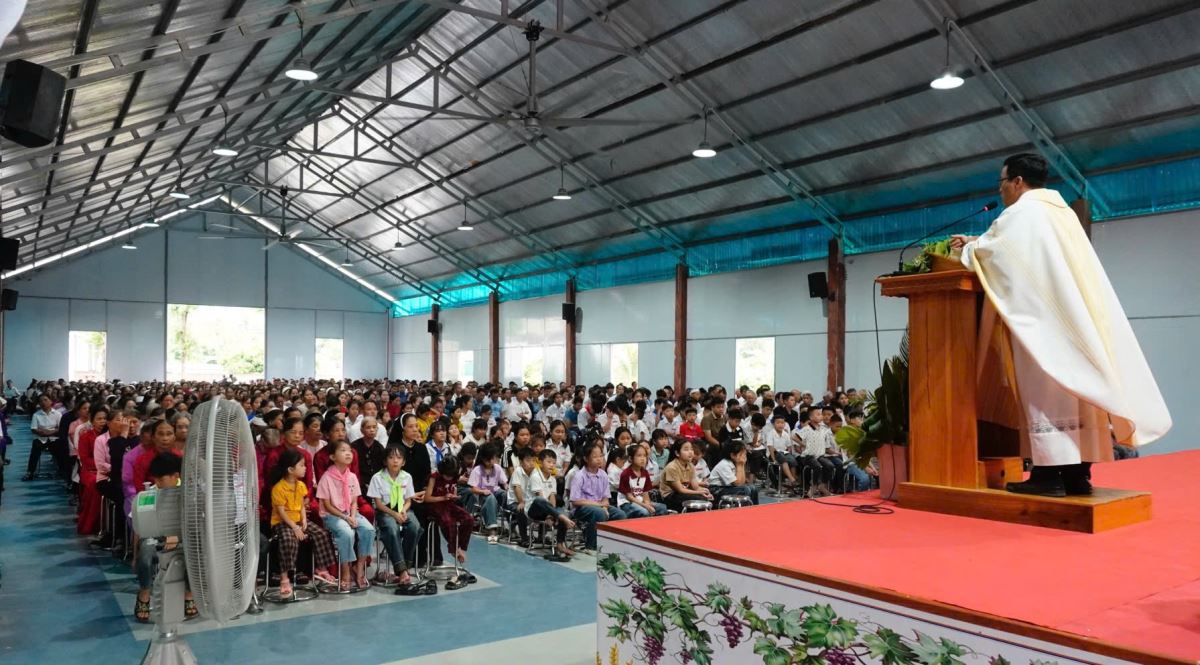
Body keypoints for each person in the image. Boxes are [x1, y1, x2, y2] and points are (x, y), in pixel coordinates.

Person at [952, 153, 1171, 496]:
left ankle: (1048, 476)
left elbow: (998, 254)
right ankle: (1076, 476)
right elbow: (1007, 249)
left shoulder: (1022, 214)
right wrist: (976, 242)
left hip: (1044, 325)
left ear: (1017, 182)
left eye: (1002, 182)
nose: (1001, 189)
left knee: (1045, 393)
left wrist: (967, 250)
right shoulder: (1061, 212)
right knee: (1078, 396)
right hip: (1072, 319)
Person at [133, 453, 197, 623]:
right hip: (156, 537)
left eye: (161, 479)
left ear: (176, 476)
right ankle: (145, 593)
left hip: (184, 537)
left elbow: (195, 523)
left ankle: (189, 593)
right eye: (156, 479)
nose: (158, 483)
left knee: (196, 551)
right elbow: (141, 527)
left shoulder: (190, 493)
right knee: (145, 553)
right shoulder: (150, 494)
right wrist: (135, 555)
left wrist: (177, 536)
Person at [267, 448, 338, 598]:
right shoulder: (278, 488)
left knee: (321, 533)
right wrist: (294, 527)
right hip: (282, 522)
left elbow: (301, 506)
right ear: (290, 469)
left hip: (298, 520)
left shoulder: (300, 485)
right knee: (288, 539)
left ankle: (321, 568)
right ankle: (284, 577)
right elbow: (281, 512)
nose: (305, 468)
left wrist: (304, 520)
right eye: (301, 465)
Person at [315, 440, 375, 591]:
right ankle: (345, 570)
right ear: (332, 457)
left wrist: (352, 516)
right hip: (332, 515)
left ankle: (359, 567)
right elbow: (327, 506)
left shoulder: (352, 476)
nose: (348, 453)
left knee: (368, 530)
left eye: (349, 451)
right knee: (347, 533)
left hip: (350, 513)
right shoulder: (327, 477)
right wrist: (346, 518)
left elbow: (354, 502)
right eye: (342, 451)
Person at [368, 445, 421, 586]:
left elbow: (408, 500)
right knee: (392, 528)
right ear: (385, 461)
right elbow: (378, 504)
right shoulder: (377, 477)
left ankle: (405, 566)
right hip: (386, 511)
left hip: (403, 508)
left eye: (399, 458)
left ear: (403, 462)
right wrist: (394, 514)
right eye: (391, 457)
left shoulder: (407, 477)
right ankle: (402, 571)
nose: (395, 461)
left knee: (415, 527)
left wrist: (403, 511)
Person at [569, 441, 626, 551]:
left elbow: (605, 498)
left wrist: (604, 507)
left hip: (600, 506)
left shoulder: (603, 474)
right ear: (586, 459)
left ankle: (611, 544)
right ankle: (591, 546)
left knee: (621, 515)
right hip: (581, 509)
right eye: (595, 457)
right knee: (599, 513)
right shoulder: (579, 476)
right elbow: (575, 501)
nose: (599, 459)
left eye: (601, 456)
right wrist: (599, 506)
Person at [527, 449, 575, 559]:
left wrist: (551, 514)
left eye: (553, 463)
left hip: (547, 511)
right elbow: (540, 497)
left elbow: (552, 498)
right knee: (540, 500)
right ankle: (560, 516)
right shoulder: (535, 476)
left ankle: (560, 544)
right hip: (533, 510)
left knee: (563, 512)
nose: (552, 465)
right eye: (548, 462)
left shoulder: (553, 479)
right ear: (540, 462)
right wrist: (550, 514)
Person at [658, 439, 713, 512]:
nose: (690, 452)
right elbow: (680, 490)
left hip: (683, 493)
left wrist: (705, 491)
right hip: (669, 496)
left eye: (691, 449)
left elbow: (695, 487)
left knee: (710, 495)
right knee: (700, 499)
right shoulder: (672, 467)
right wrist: (700, 493)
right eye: (686, 449)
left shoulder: (690, 465)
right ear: (677, 453)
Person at [467, 443, 508, 539]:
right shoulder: (477, 470)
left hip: (495, 491)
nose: (492, 461)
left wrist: (506, 486)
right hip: (481, 495)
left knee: (505, 495)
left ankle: (512, 524)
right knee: (490, 497)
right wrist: (482, 492)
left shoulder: (497, 468)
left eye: (493, 458)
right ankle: (492, 529)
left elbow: (504, 482)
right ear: (484, 459)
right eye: (489, 459)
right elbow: (473, 489)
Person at [618, 444, 667, 518]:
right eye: (639, 456)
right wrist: (645, 506)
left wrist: (648, 504)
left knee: (662, 507)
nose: (643, 458)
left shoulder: (645, 473)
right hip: (627, 503)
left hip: (640, 501)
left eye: (644, 456)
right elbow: (629, 497)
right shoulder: (625, 474)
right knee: (644, 512)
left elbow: (645, 494)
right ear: (631, 458)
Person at [709, 441, 759, 505]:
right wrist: (739, 465)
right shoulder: (724, 464)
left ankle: (754, 509)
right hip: (716, 490)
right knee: (745, 490)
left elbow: (742, 482)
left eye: (745, 454)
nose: (744, 456)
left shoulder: (735, 462)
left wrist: (742, 465)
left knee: (753, 488)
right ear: (732, 455)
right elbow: (737, 484)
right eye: (741, 454)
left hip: (726, 488)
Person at [25, 394, 60, 481]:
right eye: (41, 401)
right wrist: (43, 433)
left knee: (61, 451)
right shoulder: (36, 415)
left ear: (51, 401)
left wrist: (51, 432)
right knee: (35, 450)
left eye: (45, 400)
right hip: (41, 437)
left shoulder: (57, 414)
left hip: (54, 437)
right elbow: (34, 429)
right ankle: (30, 472)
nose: (43, 402)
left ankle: (62, 471)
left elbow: (60, 428)